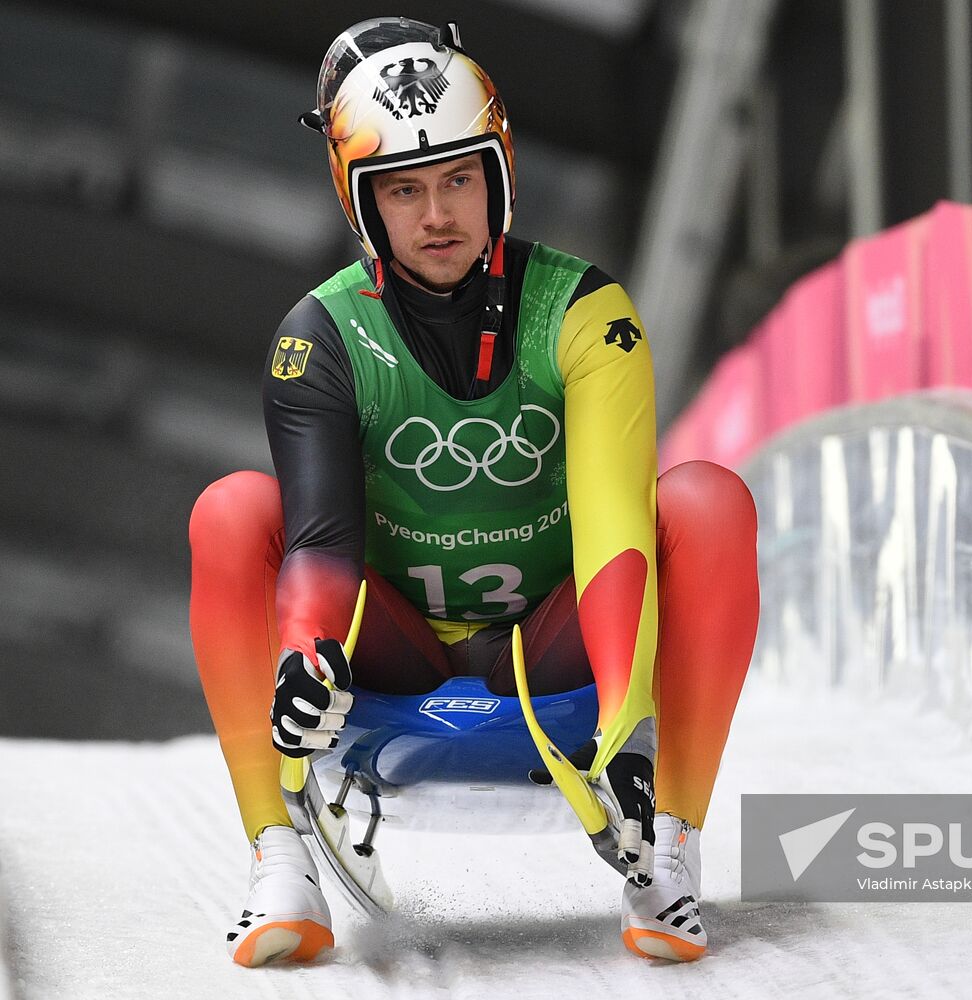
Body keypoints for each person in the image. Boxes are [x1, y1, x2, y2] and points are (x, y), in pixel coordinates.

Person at [188, 17, 758, 968]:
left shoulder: (585, 312)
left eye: (458, 179)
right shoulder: (317, 338)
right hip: (394, 650)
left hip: (555, 643)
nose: (437, 215)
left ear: (499, 175)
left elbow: (618, 531)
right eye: (404, 191)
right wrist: (302, 659)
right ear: (361, 203)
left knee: (704, 498)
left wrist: (621, 719)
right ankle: (276, 855)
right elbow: (320, 543)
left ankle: (666, 848)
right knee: (231, 509)